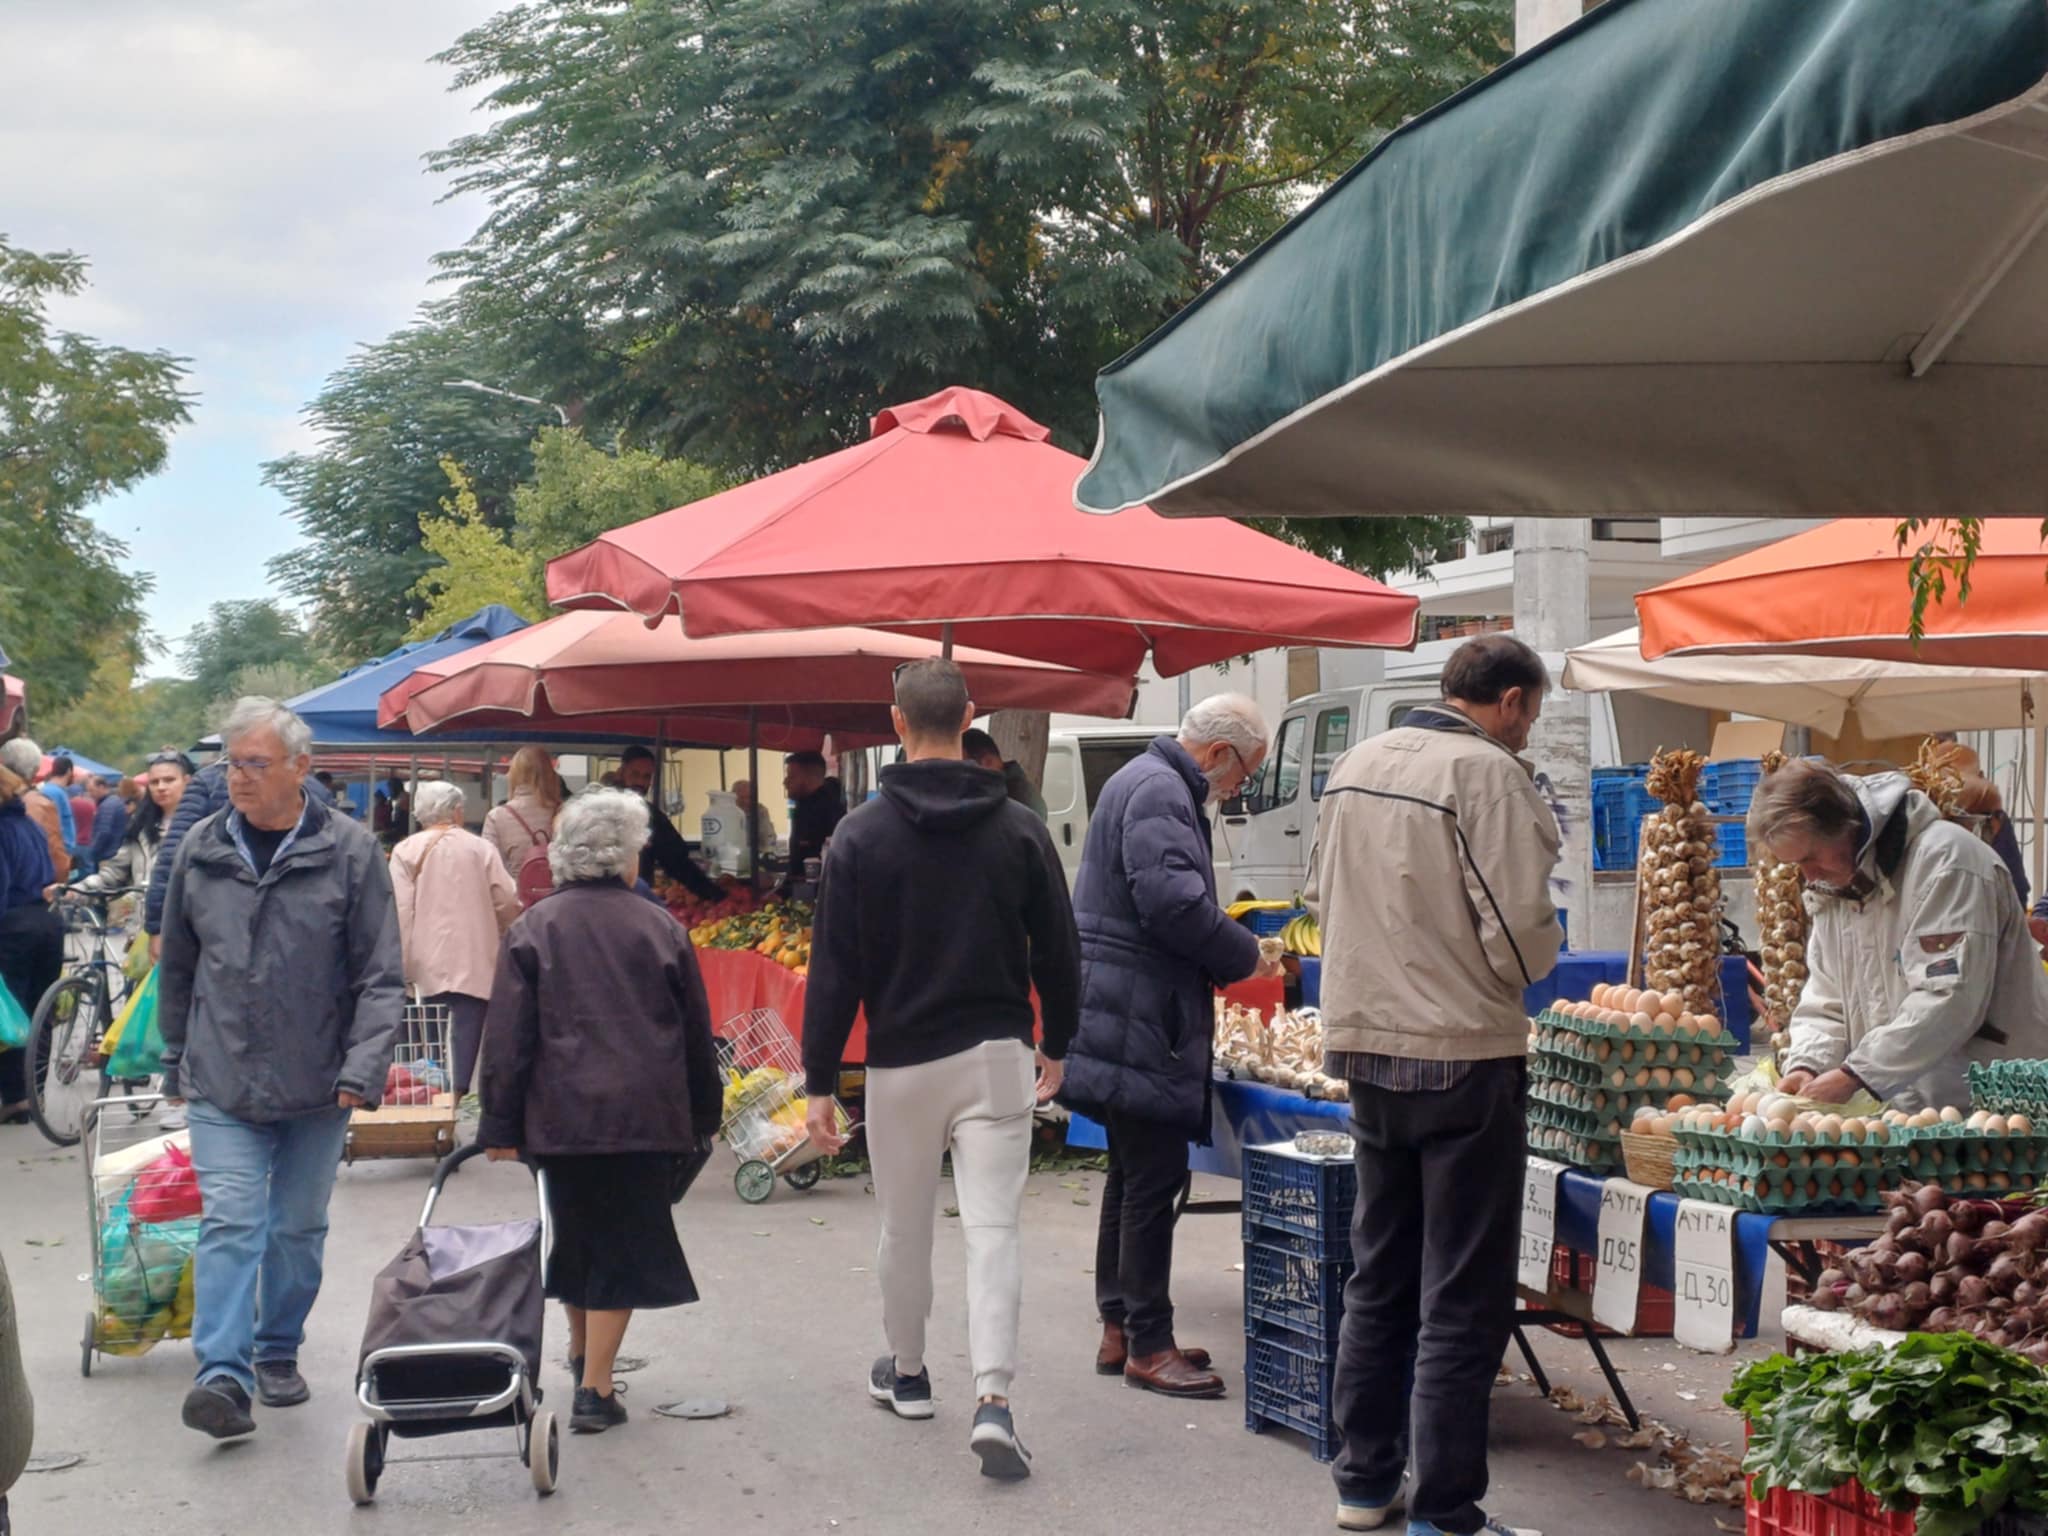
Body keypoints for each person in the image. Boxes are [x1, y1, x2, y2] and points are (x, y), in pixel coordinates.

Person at [1306, 633, 1562, 1536]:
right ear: (1512, 702)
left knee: (1380, 1274)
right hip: (1462, 1051)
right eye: (1530, 712)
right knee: (1461, 1292)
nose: (1528, 729)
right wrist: (1515, 973)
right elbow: (1522, 930)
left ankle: (1365, 1483)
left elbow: (1318, 899)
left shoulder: (1355, 763)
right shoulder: (1488, 776)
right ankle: (1447, 1508)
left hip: (1368, 1051)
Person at [803, 659, 1080, 1480]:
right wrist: (1056, 1042)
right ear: (971, 716)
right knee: (994, 1231)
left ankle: (911, 1371)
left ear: (895, 721)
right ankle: (993, 1399)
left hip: (901, 1064)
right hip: (997, 1055)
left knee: (905, 1228)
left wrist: (819, 1079)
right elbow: (1061, 953)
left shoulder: (859, 832)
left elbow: (834, 970)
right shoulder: (1021, 828)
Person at [157, 698, 404, 1440]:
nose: (238, 778)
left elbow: (381, 973)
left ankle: (275, 1349)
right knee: (232, 1221)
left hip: (317, 1082)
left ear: (301, 768)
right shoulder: (201, 848)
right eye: (232, 763)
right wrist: (175, 1053)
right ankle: (222, 1377)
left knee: (296, 1228)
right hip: (221, 1074)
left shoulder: (350, 851)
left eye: (255, 764)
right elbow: (178, 961)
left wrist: (363, 1066)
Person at [480, 789, 722, 1436]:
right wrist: (705, 1112)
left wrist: (499, 1126)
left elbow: (507, 1038)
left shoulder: (535, 927)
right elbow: (697, 1033)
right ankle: (595, 1387)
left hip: (558, 1116)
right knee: (624, 1243)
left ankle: (586, 1354)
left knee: (578, 1232)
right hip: (643, 1114)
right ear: (626, 856)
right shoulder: (661, 926)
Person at [1057, 693, 1278, 1400]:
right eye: (1244, 773)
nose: (1240, 788)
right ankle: (1148, 1343)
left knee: (1132, 1175)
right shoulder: (1160, 791)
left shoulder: (1139, 780)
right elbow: (1174, 904)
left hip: (1123, 1006)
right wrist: (1247, 955)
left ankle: (1121, 1324)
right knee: (1152, 1179)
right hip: (1142, 1012)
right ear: (1218, 753)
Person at [1757, 757, 2048, 1112]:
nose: (1809, 875)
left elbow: (1948, 996)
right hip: (1907, 1109)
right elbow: (1826, 997)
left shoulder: (1948, 863)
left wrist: (1856, 1074)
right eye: (1796, 865)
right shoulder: (1835, 886)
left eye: (1811, 858)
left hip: (1988, 1103)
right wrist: (1808, 1064)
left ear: (1846, 829)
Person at [390, 782, 521, 1095]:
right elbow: (507, 901)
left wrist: (402, 964)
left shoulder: (406, 851)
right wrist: (503, 935)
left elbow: (399, 912)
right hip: (476, 958)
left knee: (429, 1035)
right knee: (468, 1032)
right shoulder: (480, 849)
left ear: (420, 813)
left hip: (425, 961)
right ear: (457, 811)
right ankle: (459, 1093)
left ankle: (432, 1093)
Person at [142, 749, 334, 959]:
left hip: (224, 924)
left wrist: (157, 926)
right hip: (300, 927)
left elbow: (173, 856)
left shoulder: (208, 782)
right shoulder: (315, 789)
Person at [0, 761, 59, 1124]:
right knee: (41, 1011)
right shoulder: (29, 825)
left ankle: (15, 1095)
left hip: (14, 925)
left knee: (10, 1011)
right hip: (48, 920)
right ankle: (33, 1091)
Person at [75, 751, 192, 910]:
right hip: (143, 923)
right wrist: (78, 890)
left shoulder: (203, 829)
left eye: (169, 780)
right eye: (154, 782)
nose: (161, 787)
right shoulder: (140, 829)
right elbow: (113, 873)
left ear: (187, 781)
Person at [616, 745, 724, 902]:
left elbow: (677, 861)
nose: (640, 782)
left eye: (647, 777)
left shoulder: (651, 816)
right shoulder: (595, 809)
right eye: (635, 774)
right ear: (621, 772)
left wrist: (713, 895)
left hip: (636, 900)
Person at [483, 746, 564, 878]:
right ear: (550, 774)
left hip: (516, 895)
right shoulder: (566, 812)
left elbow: (490, 868)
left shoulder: (496, 816)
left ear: (513, 776)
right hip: (558, 894)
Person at [0, 741, 69, 885]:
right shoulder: (36, 806)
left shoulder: (17, 810)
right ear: (36, 770)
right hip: (31, 896)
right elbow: (57, 857)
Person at [962, 728, 1049, 823]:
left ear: (987, 762)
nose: (963, 776)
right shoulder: (1011, 790)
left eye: (965, 767)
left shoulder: (1017, 796)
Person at [784, 749, 848, 874]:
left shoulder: (828, 812)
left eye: (791, 776)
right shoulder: (803, 805)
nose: (785, 782)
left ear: (809, 778)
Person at [36, 755, 77, 863]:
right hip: (57, 854)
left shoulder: (54, 791)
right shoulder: (55, 792)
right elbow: (53, 826)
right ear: (69, 771)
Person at [86, 773, 128, 873]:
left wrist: (93, 851)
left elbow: (103, 832)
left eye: (92, 790)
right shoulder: (114, 801)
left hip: (107, 855)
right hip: (114, 851)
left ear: (101, 787)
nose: (90, 794)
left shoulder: (107, 806)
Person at [729, 778, 778, 854]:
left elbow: (768, 838)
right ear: (733, 798)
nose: (746, 801)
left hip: (756, 855)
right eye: (742, 798)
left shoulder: (760, 811)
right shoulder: (727, 812)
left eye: (749, 797)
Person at [67, 776, 98, 872]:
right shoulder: (90, 805)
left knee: (70, 870)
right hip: (86, 843)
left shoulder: (67, 804)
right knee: (88, 870)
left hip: (71, 843)